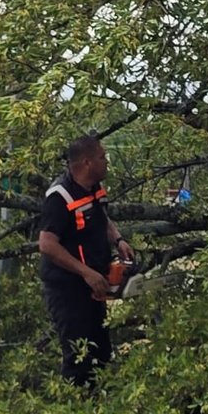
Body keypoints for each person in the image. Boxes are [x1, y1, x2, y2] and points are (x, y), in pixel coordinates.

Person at [38, 135, 134, 387]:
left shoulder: (94, 188)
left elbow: (101, 218)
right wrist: (85, 273)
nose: (107, 161)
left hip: (94, 284)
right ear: (87, 162)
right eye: (102, 157)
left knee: (101, 352)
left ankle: (99, 408)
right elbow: (47, 244)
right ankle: (75, 411)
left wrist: (119, 240)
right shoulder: (60, 197)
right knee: (78, 356)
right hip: (68, 288)